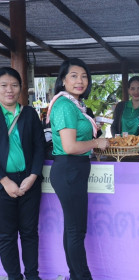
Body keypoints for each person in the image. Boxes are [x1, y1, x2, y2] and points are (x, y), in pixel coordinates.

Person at [46, 58, 109, 280]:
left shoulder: (75, 105)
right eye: (73, 76)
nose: (80, 80)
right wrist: (96, 143)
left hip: (74, 170)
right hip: (69, 170)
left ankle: (75, 276)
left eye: (84, 76)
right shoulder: (64, 105)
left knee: (72, 229)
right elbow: (69, 146)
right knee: (76, 231)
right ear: (63, 80)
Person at [0, 67, 45, 280]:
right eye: (3, 85)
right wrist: (4, 180)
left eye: (14, 85)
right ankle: (14, 277)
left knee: (29, 233)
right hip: (2, 184)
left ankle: (32, 276)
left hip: (29, 182)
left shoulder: (29, 113)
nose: (9, 90)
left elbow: (39, 147)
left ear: (21, 88)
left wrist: (33, 175)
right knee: (6, 237)